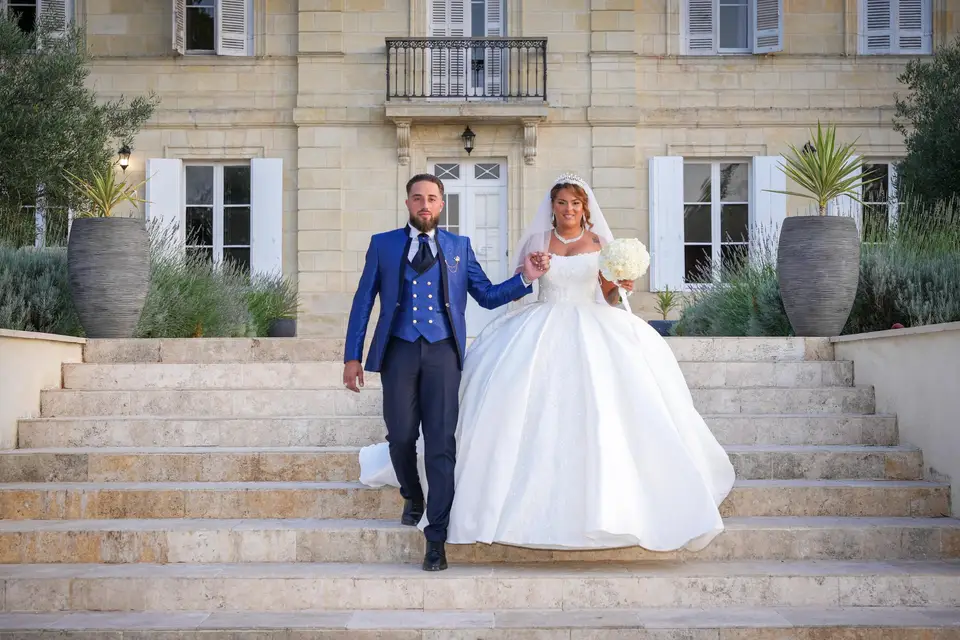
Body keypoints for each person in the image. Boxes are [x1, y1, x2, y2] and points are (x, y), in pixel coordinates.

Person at [358, 172, 736, 555]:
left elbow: (607, 295)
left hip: (592, 327)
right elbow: (511, 289)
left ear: (584, 208)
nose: (569, 209)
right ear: (552, 207)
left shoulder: (600, 243)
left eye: (575, 203)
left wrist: (621, 286)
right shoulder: (538, 242)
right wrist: (528, 274)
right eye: (562, 202)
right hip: (537, 324)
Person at [343, 173, 550, 572]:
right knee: (401, 436)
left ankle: (436, 537)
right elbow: (363, 300)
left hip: (443, 354)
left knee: (440, 445)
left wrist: (525, 278)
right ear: (408, 203)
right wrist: (353, 356)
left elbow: (487, 295)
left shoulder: (459, 247)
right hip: (398, 351)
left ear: (441, 204)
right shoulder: (383, 244)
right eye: (417, 197)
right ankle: (411, 493)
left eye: (432, 198)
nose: (425, 204)